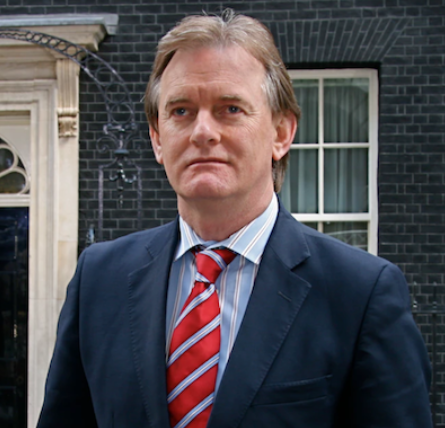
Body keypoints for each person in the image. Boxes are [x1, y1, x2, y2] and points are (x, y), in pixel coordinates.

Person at [37, 10, 432, 428]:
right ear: (157, 138)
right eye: (181, 111)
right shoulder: (100, 279)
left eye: (230, 108)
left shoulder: (360, 294)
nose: (203, 131)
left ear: (281, 134)